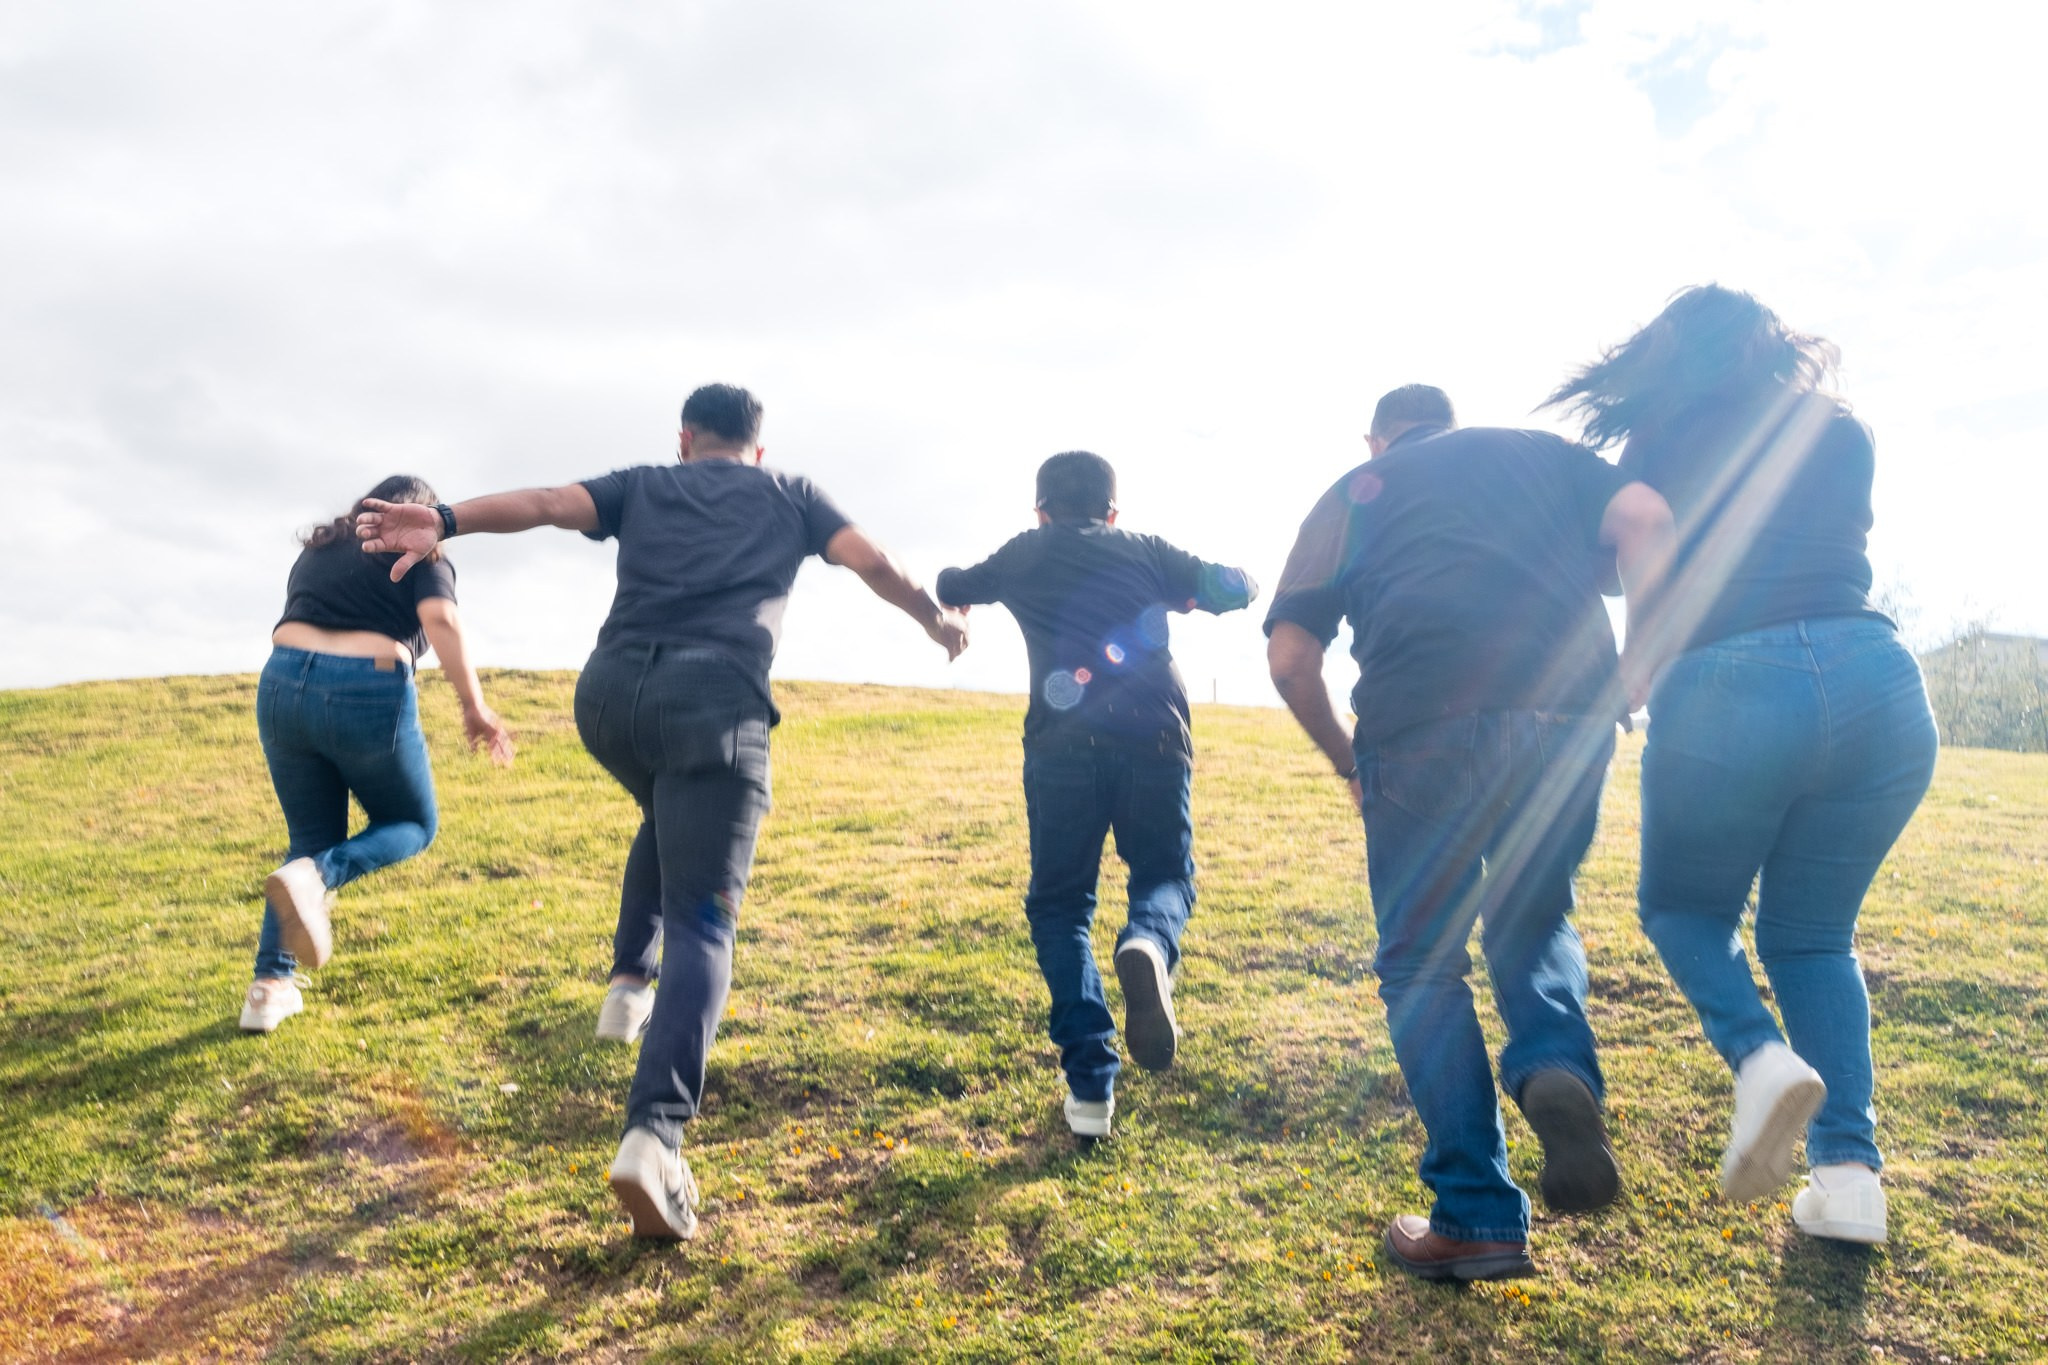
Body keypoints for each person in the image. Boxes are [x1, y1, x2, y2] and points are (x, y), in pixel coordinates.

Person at [356, 382, 968, 1240]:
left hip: (609, 700)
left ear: (686, 438)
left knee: (663, 810)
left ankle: (625, 986)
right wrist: (938, 621)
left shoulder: (645, 482)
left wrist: (445, 520)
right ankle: (656, 1132)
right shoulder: (788, 493)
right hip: (713, 702)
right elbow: (873, 561)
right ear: (758, 447)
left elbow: (542, 502)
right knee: (707, 921)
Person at [1545, 286, 1938, 1244]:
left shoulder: (1661, 441)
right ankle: (1848, 1182)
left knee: (1684, 910)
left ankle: (1759, 1058)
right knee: (1812, 939)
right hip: (1880, 683)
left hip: (1732, 677)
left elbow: (1624, 559)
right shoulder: (1842, 430)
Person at [1265, 384, 1675, 1281]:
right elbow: (1645, 513)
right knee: (1534, 914)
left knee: (1422, 960)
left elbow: (1292, 657)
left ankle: (1478, 1213)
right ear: (1450, 420)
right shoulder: (1540, 454)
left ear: (1377, 437)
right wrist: (1642, 660)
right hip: (1566, 716)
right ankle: (1553, 1065)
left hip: (1419, 727)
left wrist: (1347, 761)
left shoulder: (1354, 492)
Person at [935, 452, 1257, 1140]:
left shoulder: (1025, 551)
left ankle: (1089, 1089)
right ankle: (1146, 940)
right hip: (1156, 737)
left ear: (1041, 509)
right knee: (1165, 875)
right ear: (1113, 512)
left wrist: (962, 595)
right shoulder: (1145, 549)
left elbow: (952, 579)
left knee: (1060, 906)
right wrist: (1198, 590)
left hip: (1061, 745)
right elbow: (1238, 586)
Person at [245, 475, 514, 1034]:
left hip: (281, 682)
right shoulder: (423, 549)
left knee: (307, 842)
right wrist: (474, 706)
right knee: (412, 823)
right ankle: (319, 878)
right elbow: (439, 619)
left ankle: (269, 990)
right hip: (364, 686)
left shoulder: (321, 547)